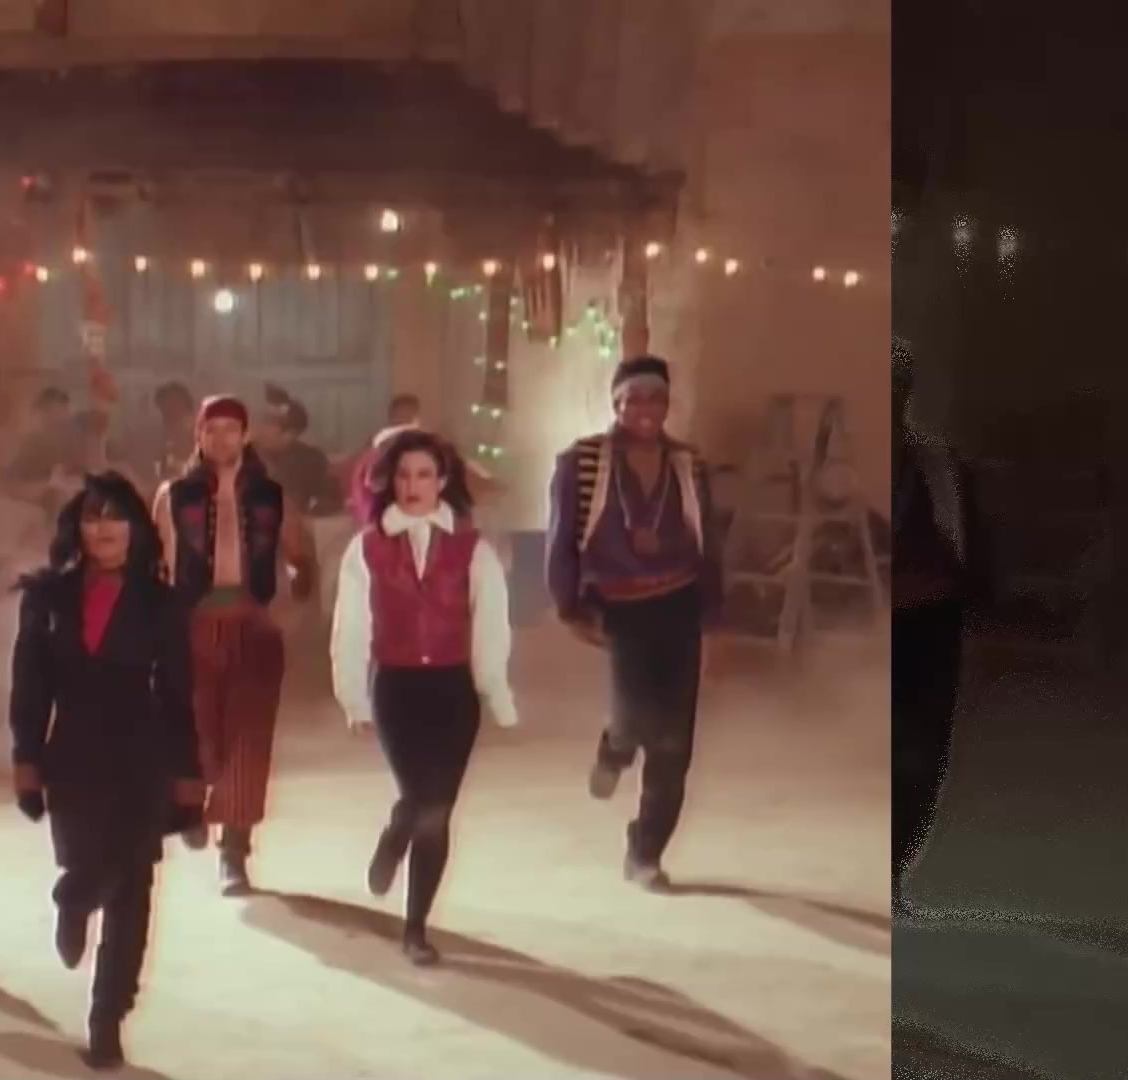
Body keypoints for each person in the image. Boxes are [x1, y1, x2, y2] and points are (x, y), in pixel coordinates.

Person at [8, 472, 203, 1070]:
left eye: (116, 516)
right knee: (90, 870)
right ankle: (72, 898)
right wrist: (25, 759)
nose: (105, 528)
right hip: (72, 755)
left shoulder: (162, 602)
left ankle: (107, 1018)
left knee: (133, 886)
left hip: (142, 755)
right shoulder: (47, 598)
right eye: (93, 517)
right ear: (78, 528)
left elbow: (177, 693)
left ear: (137, 529)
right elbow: (29, 687)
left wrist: (188, 774)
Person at [330, 430, 519, 964]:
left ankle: (416, 929)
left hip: (454, 691)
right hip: (397, 688)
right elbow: (350, 627)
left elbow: (492, 624)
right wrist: (353, 697)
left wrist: (496, 691)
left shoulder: (471, 547)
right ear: (389, 481)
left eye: (425, 475)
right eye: (404, 475)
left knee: (437, 811)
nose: (413, 486)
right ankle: (397, 831)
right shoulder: (366, 547)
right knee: (420, 797)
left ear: (442, 481)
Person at [545, 355, 721, 890]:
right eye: (634, 398)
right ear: (616, 403)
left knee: (674, 743)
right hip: (620, 606)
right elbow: (561, 536)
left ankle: (645, 851)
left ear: (668, 404)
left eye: (656, 398)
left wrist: (714, 613)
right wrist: (567, 604)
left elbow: (709, 538)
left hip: (679, 603)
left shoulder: (688, 462)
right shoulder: (582, 462)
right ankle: (616, 745)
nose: (645, 409)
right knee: (635, 715)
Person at [152, 395, 315, 895]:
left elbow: (302, 558)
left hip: (253, 626)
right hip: (192, 624)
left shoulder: (270, 496)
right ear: (198, 437)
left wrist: (292, 603)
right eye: (211, 429)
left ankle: (235, 853)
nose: (220, 438)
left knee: (248, 740)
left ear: (245, 436)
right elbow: (156, 567)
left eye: (230, 429)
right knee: (196, 731)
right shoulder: (174, 495)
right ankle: (191, 806)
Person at [891, 343, 987, 908]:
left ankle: (895, 867)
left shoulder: (939, 465)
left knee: (924, 754)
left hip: (931, 621)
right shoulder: (843, 470)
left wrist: (978, 602)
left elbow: (970, 539)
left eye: (897, 386)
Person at [257, 394, 343, 516]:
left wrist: (308, 512)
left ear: (290, 434)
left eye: (269, 422)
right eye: (262, 419)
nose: (259, 427)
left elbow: (331, 500)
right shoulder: (242, 455)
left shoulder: (312, 460)